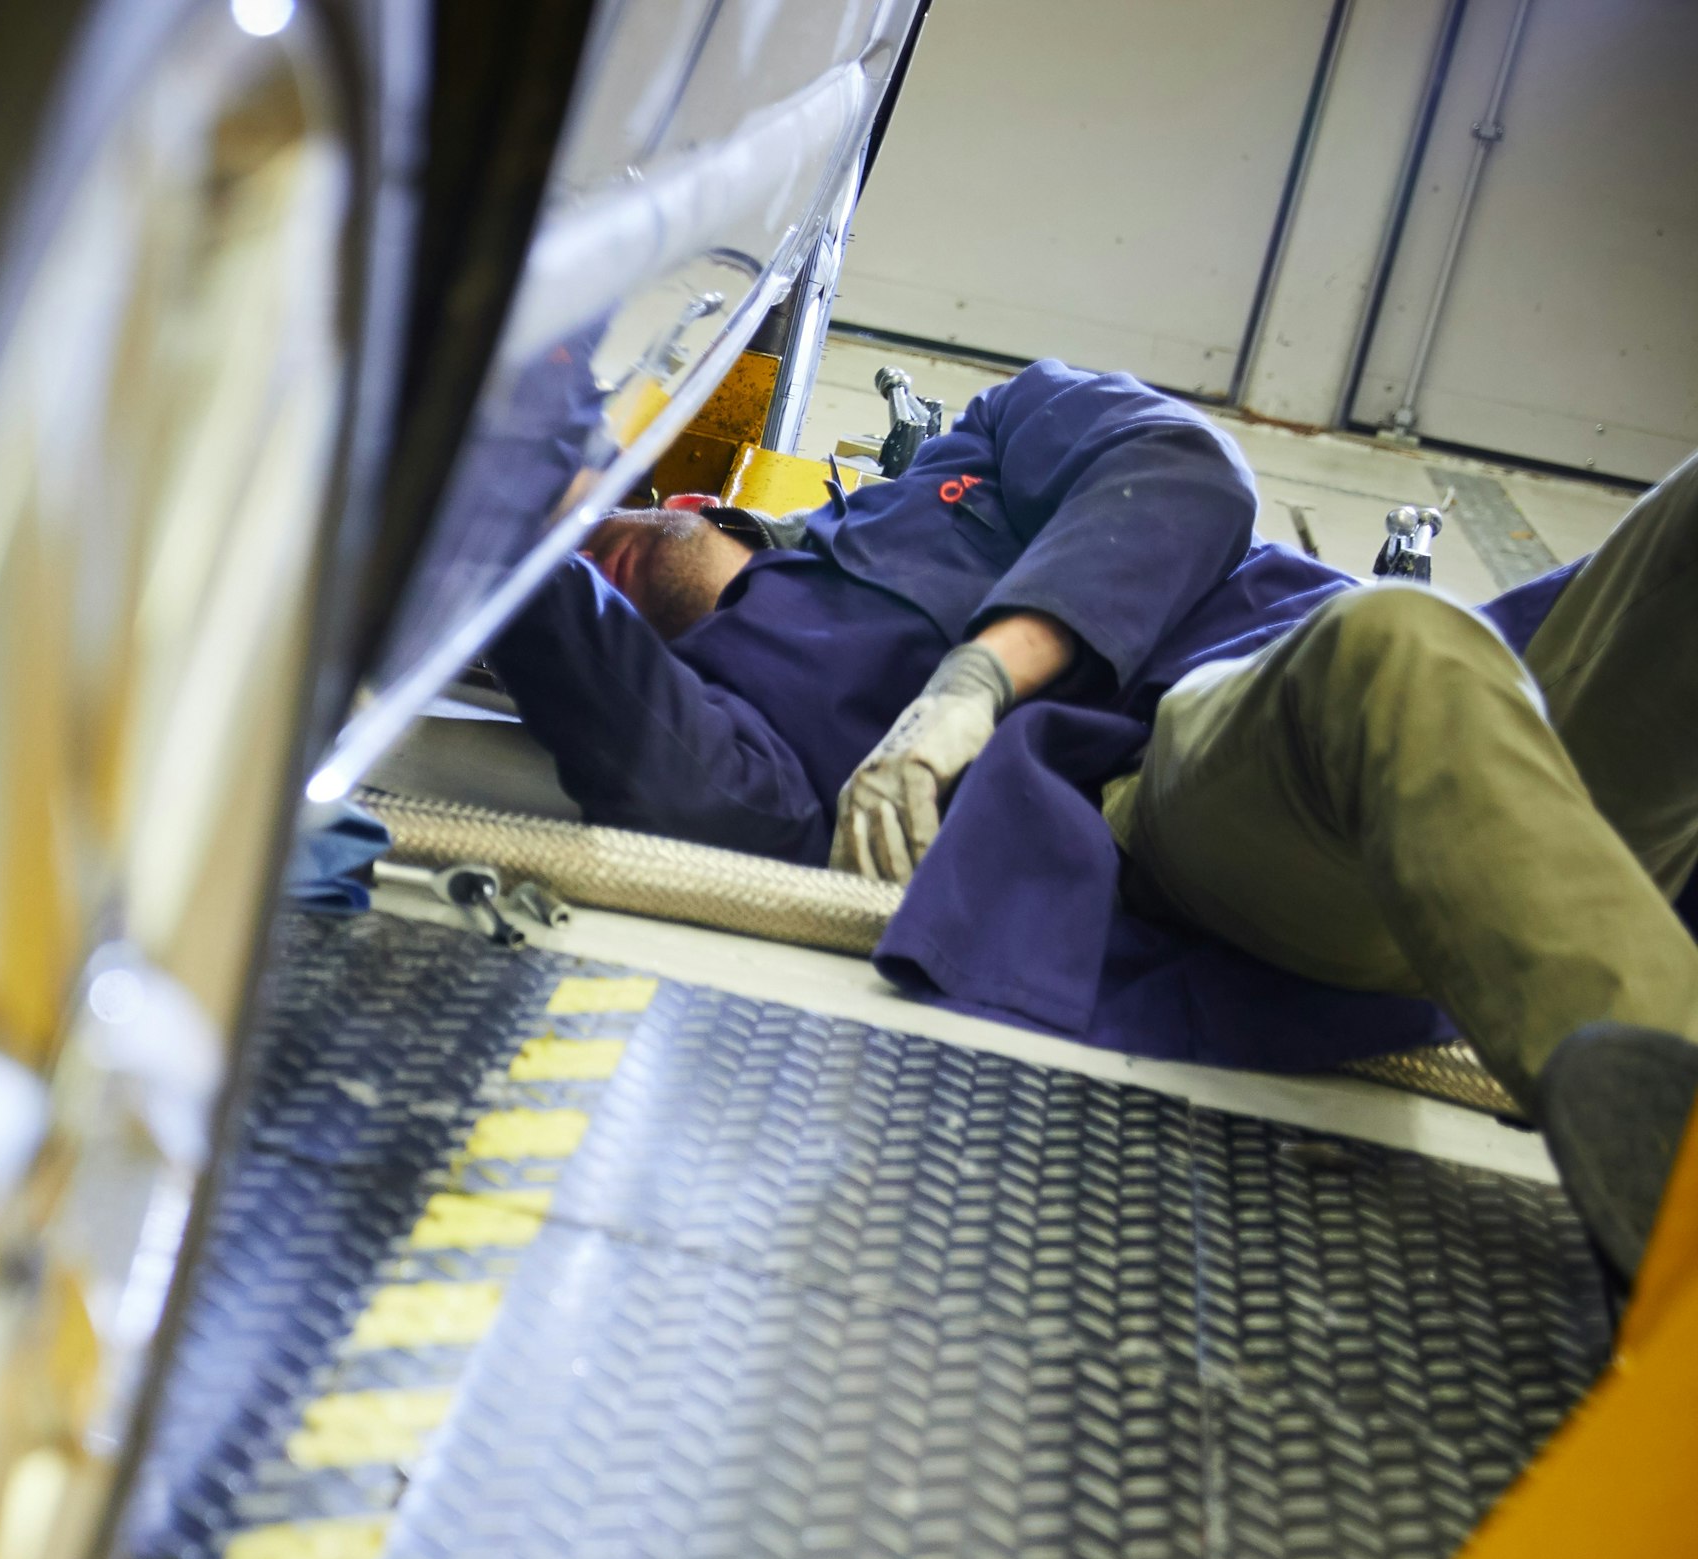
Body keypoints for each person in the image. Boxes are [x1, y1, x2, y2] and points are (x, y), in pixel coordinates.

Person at [483, 356, 1698, 1281]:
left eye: (609, 520)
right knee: (1392, 646)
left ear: (695, 498)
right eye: (582, 571)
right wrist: (507, 536)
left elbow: (1184, 467)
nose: (602, 555)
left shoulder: (970, 453)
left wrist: (978, 680)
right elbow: (671, 779)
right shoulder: (738, 722)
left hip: (1505, 719)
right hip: (1238, 798)